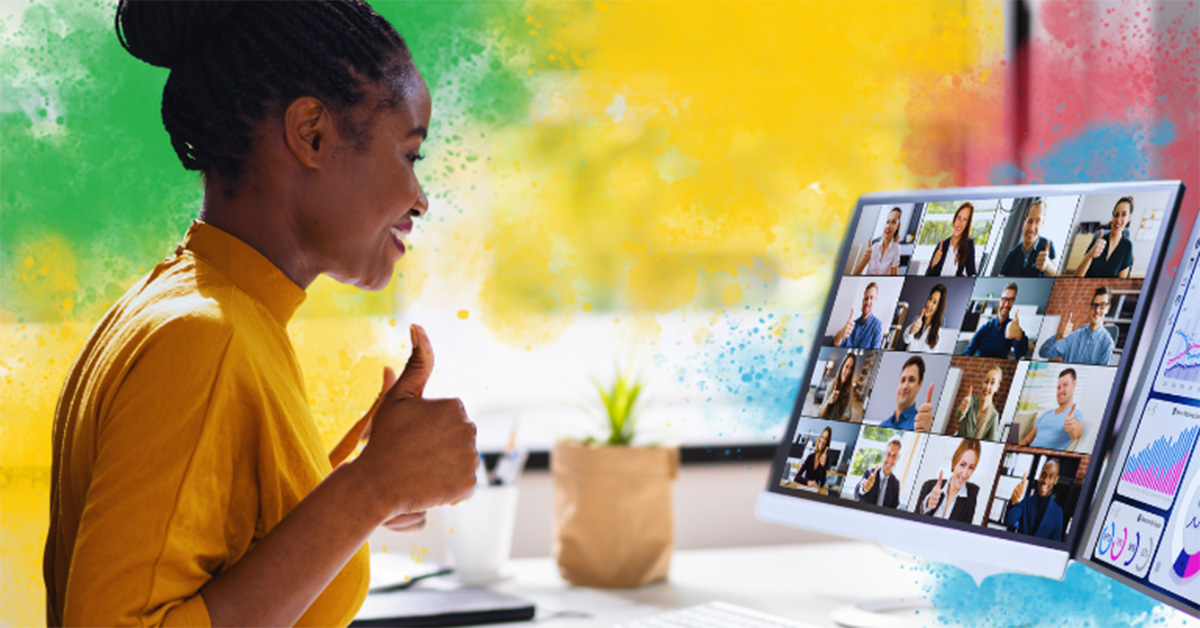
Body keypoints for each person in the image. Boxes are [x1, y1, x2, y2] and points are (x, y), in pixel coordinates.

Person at [44, 3, 481, 626]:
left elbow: (217, 560)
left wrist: (367, 485)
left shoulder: (198, 310)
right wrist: (369, 490)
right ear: (311, 133)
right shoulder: (203, 339)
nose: (421, 198)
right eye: (410, 154)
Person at [1038, 286, 1116, 366]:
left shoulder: (1107, 344)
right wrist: (1059, 336)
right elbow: (1043, 353)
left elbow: (1100, 375)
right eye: (1095, 305)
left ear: (1107, 308)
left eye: (1102, 306)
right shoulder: (1073, 337)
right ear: (1090, 307)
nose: (1097, 310)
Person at [917, 439, 982, 523]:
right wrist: (927, 505)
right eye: (962, 465)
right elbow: (914, 521)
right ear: (955, 463)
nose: (965, 474)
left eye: (971, 467)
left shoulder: (971, 498)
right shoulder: (929, 486)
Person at [963, 282, 1031, 359]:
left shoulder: (1012, 327)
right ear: (1000, 300)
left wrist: (1019, 336)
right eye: (1004, 299)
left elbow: (1021, 354)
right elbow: (968, 352)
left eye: (1010, 300)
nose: (1006, 304)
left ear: (1013, 302)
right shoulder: (985, 328)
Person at [1021, 369, 1084, 450]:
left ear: (1074, 384)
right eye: (1058, 387)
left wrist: (1072, 425)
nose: (1060, 391)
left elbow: (1076, 434)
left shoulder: (1075, 414)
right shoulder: (1046, 414)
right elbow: (1027, 440)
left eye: (1065, 385)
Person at [1075, 196, 1135, 278]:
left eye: (1124, 215)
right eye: (1116, 215)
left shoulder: (1127, 246)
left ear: (1129, 217)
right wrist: (1089, 255)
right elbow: (1077, 276)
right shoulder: (1099, 238)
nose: (1118, 220)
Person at [1005, 459, 1065, 541]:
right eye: (1043, 475)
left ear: (1056, 480)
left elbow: (1055, 543)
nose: (1045, 480)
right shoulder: (1026, 502)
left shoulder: (1057, 512)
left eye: (1050, 477)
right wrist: (1013, 502)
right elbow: (1009, 521)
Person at [998, 199, 1058, 277]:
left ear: (1042, 224)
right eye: (1029, 221)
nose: (1031, 228)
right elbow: (1000, 279)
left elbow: (1058, 277)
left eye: (1038, 221)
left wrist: (1047, 266)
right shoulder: (1012, 255)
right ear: (1023, 225)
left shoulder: (1047, 245)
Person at [946, 365, 1003, 441]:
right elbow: (958, 417)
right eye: (986, 381)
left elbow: (992, 442)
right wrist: (962, 410)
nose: (987, 386)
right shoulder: (971, 401)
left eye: (992, 383)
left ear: (997, 387)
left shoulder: (994, 415)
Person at [878, 356, 935, 432]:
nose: (904, 386)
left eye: (911, 380)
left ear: (919, 385)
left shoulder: (921, 425)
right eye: (903, 380)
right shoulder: (883, 425)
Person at [925, 202, 977, 277]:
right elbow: (927, 277)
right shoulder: (942, 245)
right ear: (954, 219)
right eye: (959, 218)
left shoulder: (969, 244)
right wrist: (933, 264)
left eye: (965, 219)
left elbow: (972, 273)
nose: (960, 223)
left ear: (967, 224)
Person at [854, 436, 903, 508]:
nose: (890, 459)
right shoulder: (869, 473)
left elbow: (894, 508)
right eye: (889, 454)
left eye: (894, 456)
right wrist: (863, 488)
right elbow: (856, 494)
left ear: (897, 458)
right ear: (884, 454)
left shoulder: (895, 483)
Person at [853, 207, 902, 276]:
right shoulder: (874, 245)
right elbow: (855, 273)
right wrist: (865, 258)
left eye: (893, 222)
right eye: (887, 222)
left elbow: (893, 278)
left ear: (898, 226)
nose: (888, 226)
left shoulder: (896, 249)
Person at [833, 282, 883, 350]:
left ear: (875, 300)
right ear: (862, 301)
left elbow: (874, 352)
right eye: (866, 298)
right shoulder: (852, 324)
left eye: (871, 298)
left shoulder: (877, 325)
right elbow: (836, 344)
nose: (868, 302)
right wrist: (840, 334)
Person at [903, 283, 948, 353]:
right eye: (930, 299)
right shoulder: (917, 320)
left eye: (934, 302)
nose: (929, 304)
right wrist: (911, 331)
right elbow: (906, 340)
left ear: (938, 308)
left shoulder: (938, 332)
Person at [819, 353, 857, 421]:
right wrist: (828, 401)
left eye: (851, 368)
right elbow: (820, 415)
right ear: (842, 366)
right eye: (846, 366)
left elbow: (848, 414)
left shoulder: (850, 388)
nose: (848, 371)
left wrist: (836, 421)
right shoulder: (831, 385)